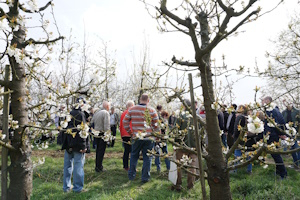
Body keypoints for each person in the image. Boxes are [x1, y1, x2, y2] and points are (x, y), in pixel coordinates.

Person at [123, 94, 160, 183]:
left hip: (136, 137)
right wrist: (155, 135)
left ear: (140, 99)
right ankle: (145, 178)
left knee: (134, 156)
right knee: (148, 157)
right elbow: (157, 125)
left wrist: (130, 133)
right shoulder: (152, 110)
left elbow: (125, 121)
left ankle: (131, 176)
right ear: (148, 100)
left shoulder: (132, 109)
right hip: (149, 137)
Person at [61, 99, 90, 193]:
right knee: (78, 166)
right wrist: (83, 146)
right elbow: (83, 131)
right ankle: (77, 188)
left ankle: (66, 187)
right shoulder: (81, 115)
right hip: (78, 145)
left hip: (68, 144)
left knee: (67, 166)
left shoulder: (69, 113)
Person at [172, 99, 198, 191]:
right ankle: (190, 186)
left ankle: (178, 185)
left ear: (184, 106)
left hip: (182, 144)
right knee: (192, 166)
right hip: (195, 145)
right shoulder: (197, 117)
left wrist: (175, 143)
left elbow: (176, 130)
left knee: (179, 164)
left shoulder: (180, 116)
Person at [262, 96, 287, 179]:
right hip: (274, 134)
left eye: (263, 101)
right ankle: (278, 171)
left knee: (276, 155)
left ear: (268, 101)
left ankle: (283, 174)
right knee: (275, 154)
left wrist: (278, 133)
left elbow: (275, 123)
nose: (262, 102)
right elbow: (281, 122)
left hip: (272, 135)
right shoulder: (276, 109)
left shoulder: (271, 111)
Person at [91, 100, 111, 172]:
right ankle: (99, 167)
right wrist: (108, 135)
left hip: (96, 133)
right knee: (101, 151)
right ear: (108, 106)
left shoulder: (96, 113)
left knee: (98, 150)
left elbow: (92, 122)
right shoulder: (106, 113)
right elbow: (106, 125)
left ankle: (97, 166)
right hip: (103, 134)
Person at [282, 101, 300, 168]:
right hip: (288, 133)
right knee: (292, 148)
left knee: (298, 148)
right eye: (284, 102)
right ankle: (296, 163)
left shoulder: (297, 111)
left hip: (297, 132)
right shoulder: (284, 112)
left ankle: (297, 163)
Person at [119, 100, 135, 171]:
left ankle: (125, 166)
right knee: (132, 151)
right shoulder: (132, 113)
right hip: (130, 133)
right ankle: (132, 166)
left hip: (124, 134)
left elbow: (121, 125)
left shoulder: (123, 113)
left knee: (126, 151)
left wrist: (121, 135)